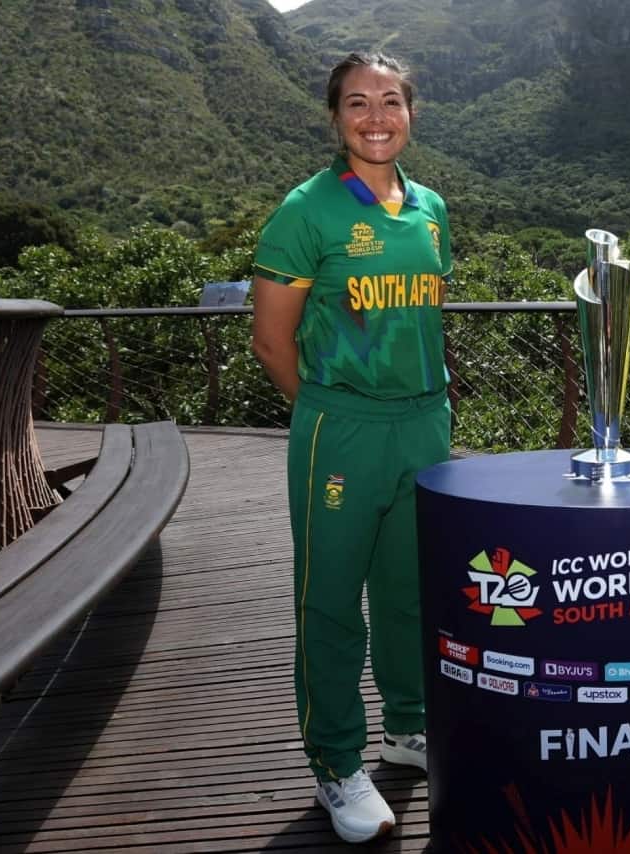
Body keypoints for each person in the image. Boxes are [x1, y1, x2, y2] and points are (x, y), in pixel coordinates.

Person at [251, 51, 452, 845]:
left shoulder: (430, 205)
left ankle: (407, 730)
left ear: (412, 112)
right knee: (332, 603)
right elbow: (272, 343)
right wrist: (334, 416)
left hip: (424, 424)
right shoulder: (307, 212)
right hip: (342, 428)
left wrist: (413, 412)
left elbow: (423, 314)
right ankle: (336, 761)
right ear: (336, 117)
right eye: (359, 103)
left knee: (408, 592)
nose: (377, 116)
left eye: (392, 101)